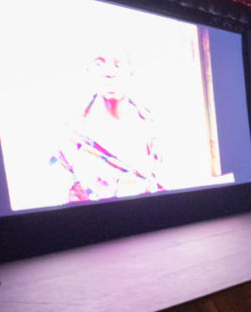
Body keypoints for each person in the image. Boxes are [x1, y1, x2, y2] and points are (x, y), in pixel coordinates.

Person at [50, 49, 165, 202]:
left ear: (130, 73)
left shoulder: (152, 123)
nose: (109, 73)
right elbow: (57, 195)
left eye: (118, 65)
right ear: (88, 71)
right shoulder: (72, 134)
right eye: (99, 64)